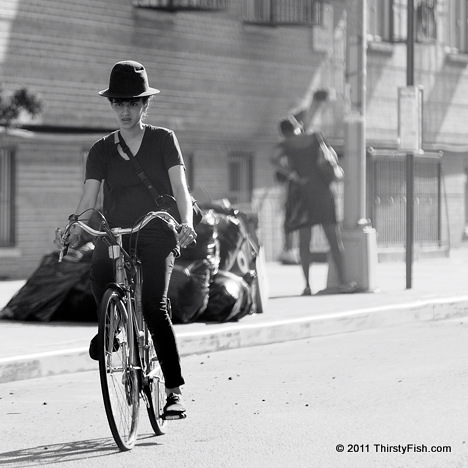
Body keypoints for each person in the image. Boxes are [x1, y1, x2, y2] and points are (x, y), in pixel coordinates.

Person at [56, 60, 196, 418]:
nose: (124, 110)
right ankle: (111, 325)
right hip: (115, 231)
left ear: (145, 105)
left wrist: (186, 221)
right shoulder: (101, 149)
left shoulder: (164, 140)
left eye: (132, 103)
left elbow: (180, 188)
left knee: (153, 307)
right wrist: (74, 228)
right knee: (99, 273)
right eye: (118, 103)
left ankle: (175, 391)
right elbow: (89, 201)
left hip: (157, 229)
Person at [271, 116, 356, 296]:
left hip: (302, 194)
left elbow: (273, 159)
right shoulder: (315, 137)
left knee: (304, 243)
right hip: (323, 192)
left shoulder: (287, 145)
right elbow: (330, 157)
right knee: (334, 239)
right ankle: (344, 282)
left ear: (283, 133)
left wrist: (292, 174)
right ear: (297, 127)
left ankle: (308, 286)